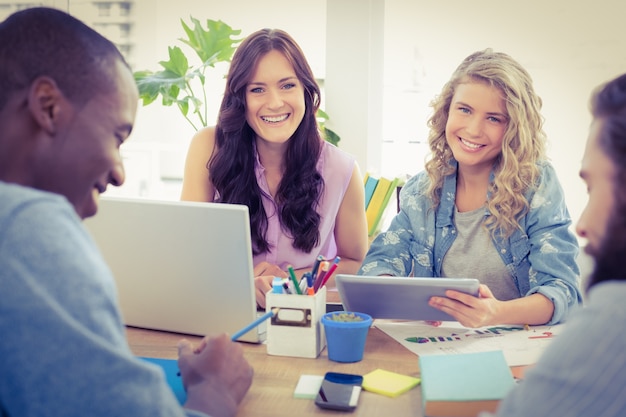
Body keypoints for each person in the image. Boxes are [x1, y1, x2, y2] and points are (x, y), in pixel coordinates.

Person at [0, 7, 252, 417]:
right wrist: (216, 390)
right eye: (117, 137)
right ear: (47, 106)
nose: (119, 173)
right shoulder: (27, 225)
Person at [359, 49, 582, 327]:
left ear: (514, 127)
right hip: (444, 346)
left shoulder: (536, 185)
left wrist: (495, 313)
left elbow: (563, 292)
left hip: (521, 349)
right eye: (464, 110)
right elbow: (378, 265)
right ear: (446, 111)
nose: (474, 130)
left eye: (494, 118)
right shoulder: (422, 190)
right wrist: (399, 297)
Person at [181, 28, 368, 308]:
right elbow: (187, 254)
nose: (275, 103)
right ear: (240, 99)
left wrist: (290, 280)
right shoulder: (208, 147)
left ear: (306, 90)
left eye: (287, 85)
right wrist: (243, 280)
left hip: (301, 318)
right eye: (257, 89)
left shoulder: (342, 169)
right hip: (222, 311)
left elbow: (356, 263)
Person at [481, 72, 626, 417]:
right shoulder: (422, 191)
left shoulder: (615, 317)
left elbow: (561, 288)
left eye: (594, 188)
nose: (583, 225)